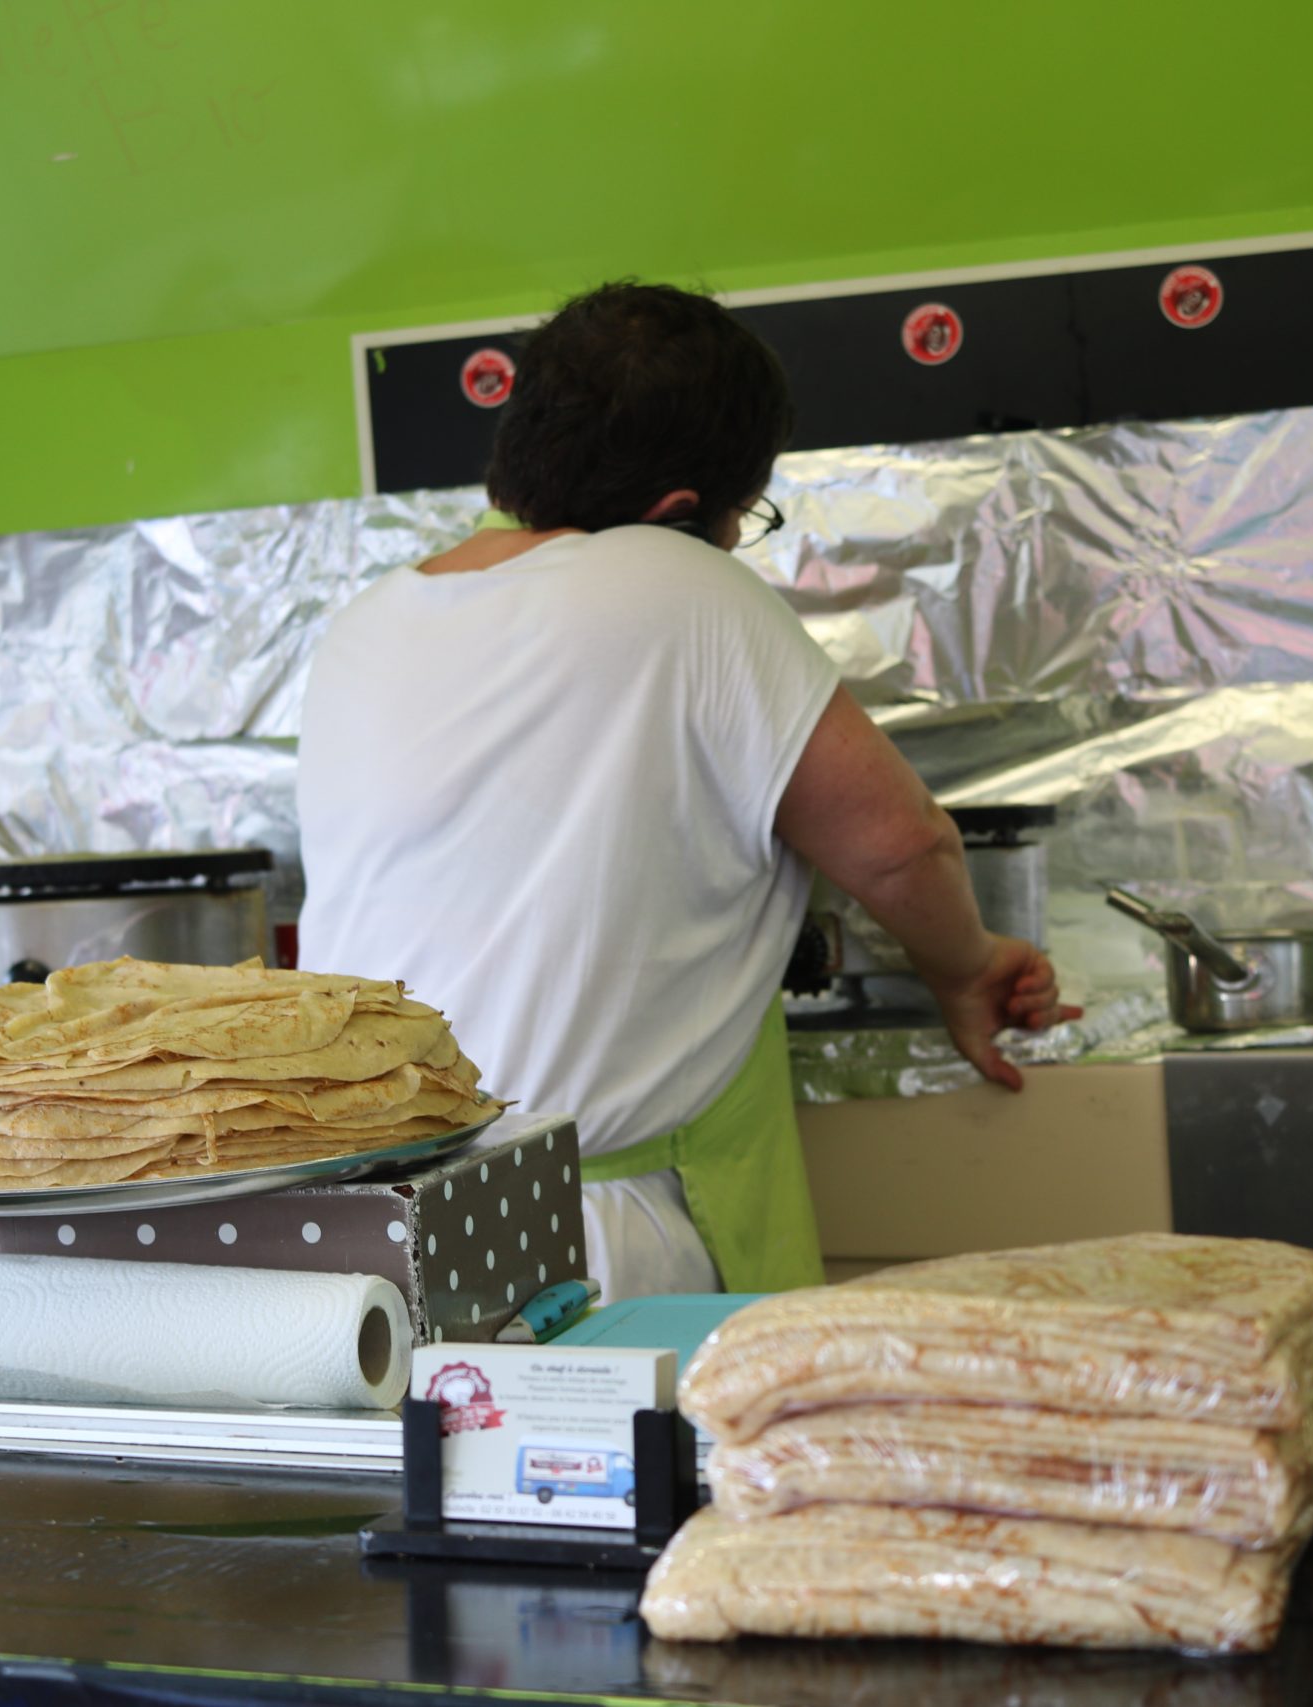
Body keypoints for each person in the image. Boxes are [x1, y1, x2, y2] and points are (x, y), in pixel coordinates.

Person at [297, 281, 1078, 1300]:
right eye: (745, 517)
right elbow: (899, 844)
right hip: (580, 1242)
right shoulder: (679, 584)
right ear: (675, 514)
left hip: (358, 1239)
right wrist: (968, 969)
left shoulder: (363, 624)